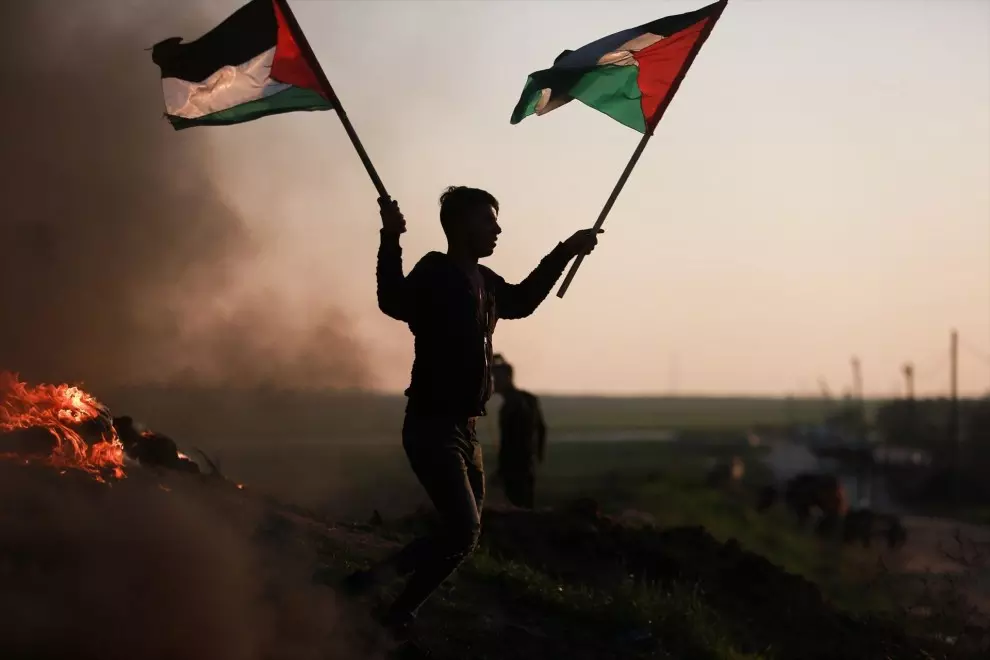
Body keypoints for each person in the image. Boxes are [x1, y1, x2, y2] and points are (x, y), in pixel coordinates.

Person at [341, 186, 601, 639]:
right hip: (431, 424)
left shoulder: (487, 282)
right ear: (462, 227)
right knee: (462, 531)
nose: (497, 229)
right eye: (488, 221)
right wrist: (390, 237)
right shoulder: (436, 272)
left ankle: (395, 608)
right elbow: (392, 301)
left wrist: (566, 251)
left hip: (467, 431)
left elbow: (521, 301)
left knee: (465, 536)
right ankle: (371, 590)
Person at [491, 354, 546, 509]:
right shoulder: (530, 399)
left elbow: (508, 443)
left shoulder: (510, 406)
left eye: (495, 378)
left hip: (516, 469)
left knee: (518, 510)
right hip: (528, 465)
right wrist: (538, 457)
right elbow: (542, 430)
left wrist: (502, 471)